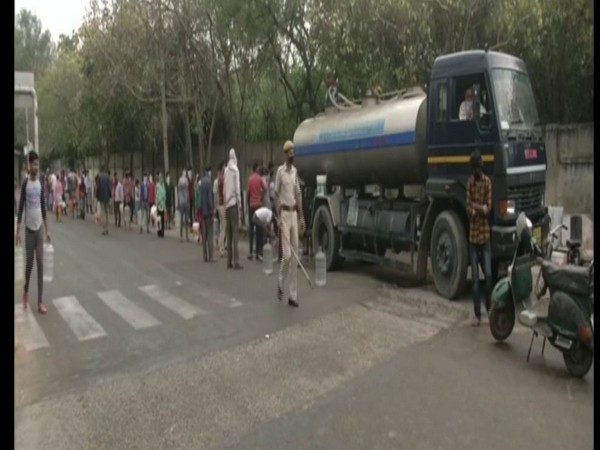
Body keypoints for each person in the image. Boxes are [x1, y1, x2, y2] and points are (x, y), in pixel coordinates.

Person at [15, 151, 51, 314]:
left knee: (41, 265)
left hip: (39, 230)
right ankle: (26, 290)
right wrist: (18, 231)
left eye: (38, 164)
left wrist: (48, 229)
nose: (36, 166)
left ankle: (40, 301)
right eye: (33, 164)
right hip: (29, 230)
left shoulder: (40, 184)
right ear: (29, 165)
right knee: (29, 264)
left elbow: (43, 207)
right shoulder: (25, 184)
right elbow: (21, 207)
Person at [275, 140, 305, 307]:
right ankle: (280, 280)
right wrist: (278, 216)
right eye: (290, 153)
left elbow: (298, 195)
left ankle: (293, 295)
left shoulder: (295, 173)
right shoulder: (280, 172)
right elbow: (276, 195)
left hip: (294, 213)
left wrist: (301, 217)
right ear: (285, 154)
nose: (292, 155)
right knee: (286, 255)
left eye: (294, 152)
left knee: (295, 257)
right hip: (284, 215)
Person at [466, 150, 492, 326]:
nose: (477, 172)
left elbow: (488, 208)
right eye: (475, 169)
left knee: (488, 275)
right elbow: (469, 210)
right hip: (473, 239)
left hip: (485, 236)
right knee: (475, 280)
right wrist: (478, 208)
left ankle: (489, 309)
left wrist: (478, 208)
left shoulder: (488, 182)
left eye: (478, 168)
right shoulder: (469, 183)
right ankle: (477, 315)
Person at [224, 149, 243, 270]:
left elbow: (226, 187)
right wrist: (240, 205)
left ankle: (229, 261)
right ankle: (236, 261)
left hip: (227, 205)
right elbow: (237, 189)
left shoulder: (226, 170)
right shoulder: (236, 170)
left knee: (229, 232)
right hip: (234, 203)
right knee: (235, 233)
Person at [247, 162, 268, 261]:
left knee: (251, 230)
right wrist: (261, 195)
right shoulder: (260, 178)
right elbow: (266, 189)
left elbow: (247, 193)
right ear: (257, 169)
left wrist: (248, 205)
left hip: (251, 206)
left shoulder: (250, 179)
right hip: (258, 205)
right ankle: (259, 253)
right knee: (259, 230)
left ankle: (251, 252)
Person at [201, 167, 214, 262]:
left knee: (204, 233)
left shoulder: (202, 181)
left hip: (203, 210)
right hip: (208, 211)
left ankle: (204, 255)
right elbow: (209, 198)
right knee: (210, 233)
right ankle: (211, 256)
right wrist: (211, 210)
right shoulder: (209, 182)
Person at [216, 160, 227, 257]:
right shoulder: (222, 178)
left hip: (221, 205)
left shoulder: (219, 177)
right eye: (225, 166)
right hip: (223, 204)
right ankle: (221, 247)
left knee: (223, 226)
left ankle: (222, 245)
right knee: (224, 227)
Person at [97, 167, 112, 235]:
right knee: (107, 213)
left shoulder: (100, 177)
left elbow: (98, 187)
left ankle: (104, 229)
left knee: (103, 213)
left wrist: (97, 196)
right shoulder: (108, 177)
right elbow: (110, 187)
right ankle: (107, 228)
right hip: (107, 197)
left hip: (102, 197)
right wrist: (110, 196)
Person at [178, 169, 190, 242]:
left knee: (186, 220)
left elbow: (187, 191)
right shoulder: (180, 180)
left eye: (185, 172)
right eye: (183, 172)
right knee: (181, 220)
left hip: (185, 201)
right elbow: (179, 190)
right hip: (182, 201)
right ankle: (181, 236)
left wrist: (188, 201)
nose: (184, 173)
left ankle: (186, 236)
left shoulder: (186, 180)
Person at [156, 172, 166, 237]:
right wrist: (157, 202)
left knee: (162, 218)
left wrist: (163, 200)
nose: (161, 178)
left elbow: (164, 194)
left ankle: (162, 231)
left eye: (162, 177)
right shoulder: (158, 185)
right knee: (159, 218)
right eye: (160, 177)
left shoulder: (163, 185)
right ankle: (159, 230)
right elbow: (156, 194)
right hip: (159, 203)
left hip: (163, 203)